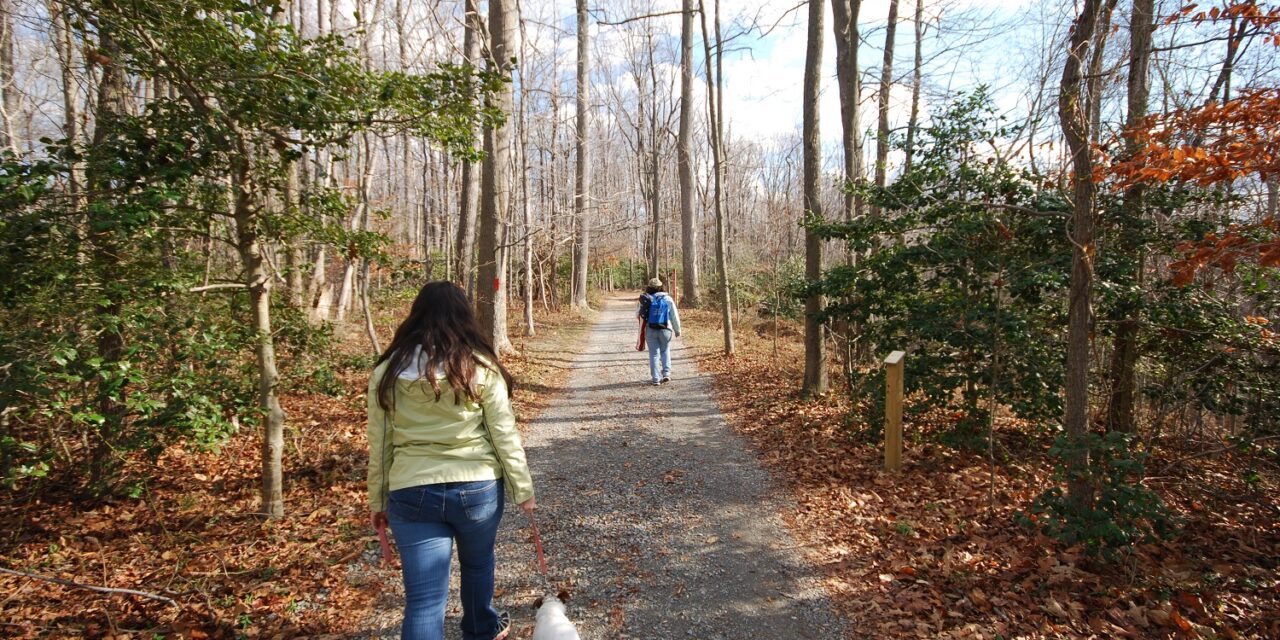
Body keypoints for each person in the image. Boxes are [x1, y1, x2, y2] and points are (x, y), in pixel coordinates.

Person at [367, 281, 535, 640]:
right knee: (477, 564)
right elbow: (504, 435)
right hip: (477, 489)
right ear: (464, 315)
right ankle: (479, 628)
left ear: (416, 316)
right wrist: (523, 489)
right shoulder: (480, 366)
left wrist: (378, 500)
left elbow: (380, 444)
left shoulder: (387, 372)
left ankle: (480, 625)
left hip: (412, 491)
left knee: (424, 601)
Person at [637, 278, 682, 385]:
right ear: (661, 286)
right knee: (665, 350)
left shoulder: (645, 299)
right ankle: (666, 374)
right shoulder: (668, 299)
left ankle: (655, 379)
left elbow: (638, 314)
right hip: (666, 329)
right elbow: (674, 316)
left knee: (654, 354)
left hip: (650, 329)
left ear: (649, 287)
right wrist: (677, 330)